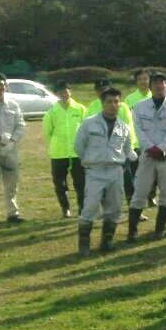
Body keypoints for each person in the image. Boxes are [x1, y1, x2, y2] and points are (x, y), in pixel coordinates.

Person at [74, 87, 137, 256]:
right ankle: (84, 244)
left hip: (115, 171)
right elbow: (78, 146)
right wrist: (90, 160)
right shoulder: (89, 123)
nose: (113, 105)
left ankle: (107, 241)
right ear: (102, 104)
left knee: (115, 207)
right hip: (95, 171)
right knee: (90, 206)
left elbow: (127, 148)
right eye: (109, 102)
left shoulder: (123, 127)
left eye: (116, 101)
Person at [127, 72, 166, 241]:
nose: (159, 87)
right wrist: (151, 148)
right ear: (149, 87)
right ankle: (132, 231)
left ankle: (159, 230)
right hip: (147, 155)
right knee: (140, 192)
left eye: (162, 84)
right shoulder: (139, 107)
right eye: (155, 84)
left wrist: (161, 148)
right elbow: (138, 130)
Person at [85, 78, 146, 214]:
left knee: (128, 181)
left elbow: (129, 127)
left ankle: (135, 209)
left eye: (106, 89)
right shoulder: (91, 108)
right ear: (96, 92)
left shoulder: (122, 106)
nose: (103, 92)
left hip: (120, 150)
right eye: (100, 90)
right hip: (100, 153)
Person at [42, 80, 87, 218]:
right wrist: (56, 145)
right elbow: (47, 133)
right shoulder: (51, 112)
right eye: (60, 92)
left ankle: (82, 209)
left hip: (77, 153)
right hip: (58, 153)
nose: (64, 94)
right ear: (56, 94)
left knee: (81, 183)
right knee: (60, 183)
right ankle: (65, 208)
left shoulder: (80, 109)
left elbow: (86, 129)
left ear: (70, 91)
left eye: (66, 91)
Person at [0, 72, 25, 224]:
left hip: (10, 148)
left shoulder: (13, 104)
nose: (0, 88)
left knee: (12, 182)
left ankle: (13, 214)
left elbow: (20, 125)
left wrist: (12, 142)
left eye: (2, 85)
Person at [124, 69, 158, 211]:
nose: (143, 82)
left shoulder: (156, 96)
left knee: (154, 172)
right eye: (140, 79)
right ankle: (138, 198)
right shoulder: (129, 100)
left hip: (154, 140)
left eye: (146, 79)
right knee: (137, 173)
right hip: (137, 142)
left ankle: (151, 196)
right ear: (136, 82)